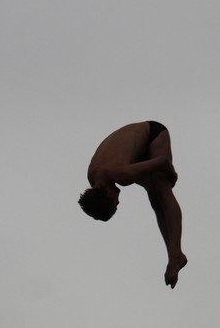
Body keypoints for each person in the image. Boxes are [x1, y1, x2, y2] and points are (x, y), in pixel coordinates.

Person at [78, 121, 188, 288]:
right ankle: (173, 255)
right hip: (133, 144)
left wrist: (172, 175)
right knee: (154, 194)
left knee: (161, 189)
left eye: (115, 204)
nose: (119, 202)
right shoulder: (93, 176)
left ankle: (176, 254)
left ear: (108, 194)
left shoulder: (121, 175)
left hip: (153, 133)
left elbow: (163, 162)